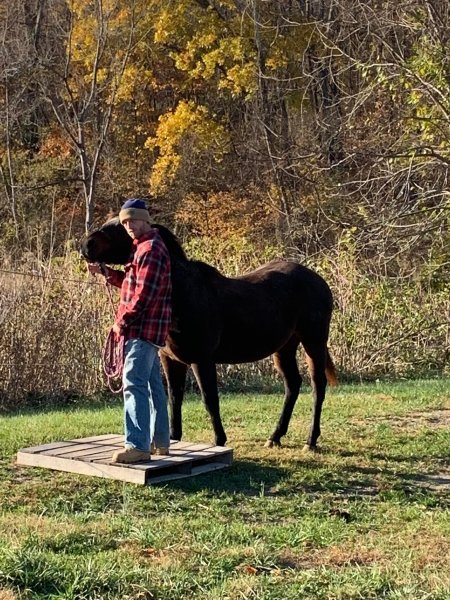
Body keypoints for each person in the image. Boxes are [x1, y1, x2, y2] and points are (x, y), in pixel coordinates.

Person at [88, 198, 172, 464]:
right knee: (152, 384)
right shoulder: (144, 249)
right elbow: (132, 284)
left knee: (133, 383)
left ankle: (137, 445)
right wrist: (107, 273)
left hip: (142, 329)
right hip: (148, 329)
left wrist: (120, 323)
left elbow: (143, 296)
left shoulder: (150, 250)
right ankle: (160, 441)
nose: (129, 226)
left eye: (133, 220)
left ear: (146, 220)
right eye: (125, 222)